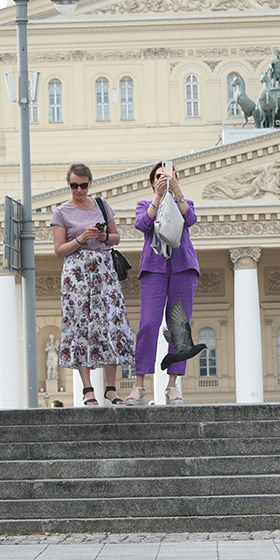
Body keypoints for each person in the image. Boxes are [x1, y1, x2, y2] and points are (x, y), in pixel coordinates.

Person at [50, 163, 136, 406]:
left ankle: (111, 388)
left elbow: (116, 236)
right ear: (68, 185)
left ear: (90, 184)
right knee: (80, 327)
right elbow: (59, 250)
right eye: (74, 185)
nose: (79, 190)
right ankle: (88, 389)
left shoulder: (102, 204)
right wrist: (81, 238)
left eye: (83, 185)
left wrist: (102, 237)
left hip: (104, 271)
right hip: (77, 274)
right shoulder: (61, 212)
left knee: (112, 322)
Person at [125, 161, 198, 406]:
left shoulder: (184, 203)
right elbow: (143, 225)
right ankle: (139, 385)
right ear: (152, 182)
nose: (163, 180)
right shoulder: (145, 205)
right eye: (158, 177)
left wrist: (176, 193)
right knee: (147, 324)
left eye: (168, 176)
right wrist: (158, 197)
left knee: (179, 326)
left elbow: (191, 219)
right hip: (154, 269)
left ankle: (172, 386)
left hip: (182, 267)